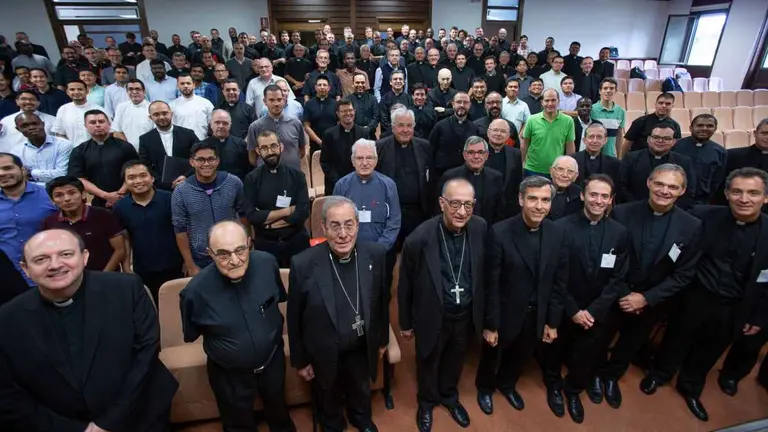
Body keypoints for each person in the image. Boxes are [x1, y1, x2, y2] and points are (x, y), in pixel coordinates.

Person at [0, 228, 178, 430]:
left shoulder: (126, 289)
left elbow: (146, 357)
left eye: (66, 254)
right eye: (41, 259)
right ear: (25, 268)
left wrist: (108, 423)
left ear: (84, 257)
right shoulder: (7, 319)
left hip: (140, 413)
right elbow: (9, 392)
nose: (55, 265)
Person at [638, 167, 768, 421]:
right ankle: (660, 374)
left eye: (753, 193)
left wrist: (760, 317)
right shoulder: (702, 216)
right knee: (676, 337)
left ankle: (691, 387)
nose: (744, 199)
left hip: (736, 305)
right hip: (694, 295)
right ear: (727, 194)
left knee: (711, 348)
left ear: (765, 197)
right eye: (737, 192)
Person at [597, 164, 702, 409]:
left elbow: (684, 273)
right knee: (600, 338)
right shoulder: (621, 213)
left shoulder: (691, 225)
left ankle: (612, 377)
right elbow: (608, 255)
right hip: (614, 293)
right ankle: (594, 374)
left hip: (652, 302)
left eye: (672, 187)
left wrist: (646, 298)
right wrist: (624, 293)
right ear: (649, 183)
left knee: (631, 342)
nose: (665, 190)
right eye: (660, 184)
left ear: (682, 191)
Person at [180, 221, 296, 432]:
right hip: (228, 374)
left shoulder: (268, 264)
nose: (234, 260)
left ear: (249, 244)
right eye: (223, 254)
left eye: (240, 250)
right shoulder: (194, 293)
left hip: (272, 362)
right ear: (210, 254)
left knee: (279, 413)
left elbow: (277, 299)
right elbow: (191, 333)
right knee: (237, 424)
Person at [287, 196, 389, 432]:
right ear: (324, 228)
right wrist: (301, 361)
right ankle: (332, 424)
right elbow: (294, 317)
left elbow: (382, 301)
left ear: (357, 225)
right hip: (324, 349)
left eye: (349, 224)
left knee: (361, 389)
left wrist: (381, 340)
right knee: (328, 393)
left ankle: (361, 418)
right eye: (335, 226)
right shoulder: (303, 264)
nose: (343, 234)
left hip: (361, 346)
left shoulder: (375, 254)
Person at [399, 178, 490, 431]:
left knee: (456, 358)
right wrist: (405, 323)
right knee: (428, 357)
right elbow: (405, 285)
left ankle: (449, 396)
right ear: (441, 203)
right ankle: (426, 402)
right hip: (432, 314)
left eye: (468, 205)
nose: (462, 212)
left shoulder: (481, 228)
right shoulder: (419, 238)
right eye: (455, 204)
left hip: (466, 315)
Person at [475, 174, 567, 416]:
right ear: (520, 199)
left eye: (545, 200)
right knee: (491, 356)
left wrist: (552, 321)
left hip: (537, 315)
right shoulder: (500, 232)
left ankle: (507, 384)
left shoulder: (558, 234)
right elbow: (491, 283)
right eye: (533, 199)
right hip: (505, 314)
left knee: (520, 356)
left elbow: (559, 282)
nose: (539, 206)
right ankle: (484, 388)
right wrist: (490, 324)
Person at [542, 174, 629, 423]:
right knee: (554, 351)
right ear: (582, 195)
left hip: (597, 311)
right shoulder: (560, 227)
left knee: (586, 353)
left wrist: (593, 311)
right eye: (593, 194)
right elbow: (555, 275)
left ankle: (572, 391)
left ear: (611, 200)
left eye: (604, 196)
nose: (598, 200)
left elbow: (617, 278)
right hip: (564, 306)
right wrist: (573, 310)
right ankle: (553, 386)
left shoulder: (620, 233)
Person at [172, 141, 246, 275]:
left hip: (232, 254)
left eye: (210, 159)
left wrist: (247, 247)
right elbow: (180, 230)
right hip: (201, 258)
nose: (206, 164)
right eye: (200, 160)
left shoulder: (234, 183)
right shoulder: (181, 192)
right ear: (192, 162)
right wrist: (190, 264)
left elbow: (244, 215)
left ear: (217, 161)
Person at [114, 160, 182, 302]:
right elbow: (125, 238)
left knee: (176, 306)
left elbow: (182, 231)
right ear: (125, 182)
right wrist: (126, 267)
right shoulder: (120, 207)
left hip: (175, 265)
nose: (138, 181)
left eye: (143, 175)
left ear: (152, 178)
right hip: (143, 268)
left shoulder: (170, 198)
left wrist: (188, 262)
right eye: (131, 178)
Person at [243, 131, 310, 267]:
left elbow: (302, 212)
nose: (270, 151)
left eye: (273, 146)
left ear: (281, 147)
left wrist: (268, 222)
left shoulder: (297, 176)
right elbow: (251, 216)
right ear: (258, 151)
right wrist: (286, 212)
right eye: (264, 148)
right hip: (266, 246)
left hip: (296, 242)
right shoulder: (252, 179)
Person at [42, 176, 125, 271]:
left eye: (72, 193)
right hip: (70, 279)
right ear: (52, 201)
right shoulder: (50, 222)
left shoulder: (104, 215)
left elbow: (119, 250)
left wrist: (103, 276)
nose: (67, 199)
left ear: (83, 194)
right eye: (59, 195)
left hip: (106, 276)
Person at [333, 139, 401, 254]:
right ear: (352, 161)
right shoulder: (341, 185)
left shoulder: (389, 185)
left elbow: (394, 222)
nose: (364, 163)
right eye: (359, 158)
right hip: (349, 251)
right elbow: (334, 221)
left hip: (381, 251)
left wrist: (380, 248)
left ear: (376, 160)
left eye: (369, 158)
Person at [376, 107, 432, 245]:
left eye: (409, 126)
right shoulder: (379, 147)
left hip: (418, 213)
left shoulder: (424, 146)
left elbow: (431, 179)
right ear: (393, 127)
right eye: (401, 125)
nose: (405, 130)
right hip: (389, 214)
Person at [0, 152, 57, 285]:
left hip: (49, 273)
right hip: (6, 278)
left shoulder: (49, 195)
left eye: (8, 168)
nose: (1, 173)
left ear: (23, 170)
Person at [67, 109, 137, 208]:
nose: (97, 125)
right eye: (92, 122)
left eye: (101, 121)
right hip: (98, 201)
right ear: (85, 126)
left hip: (128, 198)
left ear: (109, 124)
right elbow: (79, 178)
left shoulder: (125, 146)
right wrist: (106, 196)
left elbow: (135, 171)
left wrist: (119, 194)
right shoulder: (79, 151)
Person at [618, 124, 696, 208]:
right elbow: (622, 187)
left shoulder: (684, 162)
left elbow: (688, 190)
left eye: (666, 138)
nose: (660, 141)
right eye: (656, 137)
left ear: (674, 142)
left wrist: (668, 207)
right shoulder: (631, 158)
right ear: (648, 139)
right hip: (634, 210)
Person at [438, 136, 507, 224]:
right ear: (464, 155)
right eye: (471, 152)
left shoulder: (496, 177)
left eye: (480, 152)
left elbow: (500, 212)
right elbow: (440, 210)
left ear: (486, 155)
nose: (476, 156)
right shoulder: (450, 177)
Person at [138, 101, 198, 190]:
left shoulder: (188, 134)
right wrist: (163, 184)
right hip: (160, 188)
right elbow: (145, 166)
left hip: (190, 184)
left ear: (171, 113)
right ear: (150, 117)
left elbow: (199, 158)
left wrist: (187, 177)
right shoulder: (145, 139)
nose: (161, 117)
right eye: (156, 114)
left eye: (164, 113)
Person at [246, 84, 307, 169]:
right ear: (265, 101)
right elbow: (252, 156)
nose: (276, 104)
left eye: (279, 99)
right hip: (266, 176)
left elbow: (302, 150)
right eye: (271, 100)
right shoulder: (255, 127)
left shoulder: (296, 123)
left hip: (292, 175)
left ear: (284, 100)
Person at [320, 100, 372, 194]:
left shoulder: (364, 133)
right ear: (338, 114)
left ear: (354, 111)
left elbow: (368, 158)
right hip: (335, 184)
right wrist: (339, 181)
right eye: (344, 111)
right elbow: (325, 162)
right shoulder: (329, 134)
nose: (348, 113)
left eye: (350, 110)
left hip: (359, 184)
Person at [672, 114, 726, 205]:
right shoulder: (675, 146)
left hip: (703, 201)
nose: (704, 128)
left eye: (710, 126)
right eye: (700, 125)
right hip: (675, 198)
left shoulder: (720, 152)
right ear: (690, 128)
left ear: (715, 129)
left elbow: (718, 180)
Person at [521, 88, 575, 177]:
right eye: (547, 100)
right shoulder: (532, 120)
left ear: (558, 101)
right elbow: (524, 145)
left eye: (553, 100)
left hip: (556, 171)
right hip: (532, 169)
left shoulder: (568, 121)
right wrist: (522, 165)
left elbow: (570, 147)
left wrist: (568, 168)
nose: (550, 103)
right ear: (542, 102)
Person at [8, 112, 71, 185]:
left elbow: (61, 174)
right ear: (18, 129)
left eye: (35, 124)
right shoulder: (16, 151)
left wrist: (30, 173)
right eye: (25, 126)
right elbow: (18, 176)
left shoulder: (63, 145)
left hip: (59, 190)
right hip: (30, 192)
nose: (31, 128)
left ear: (43, 124)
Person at [429, 92, 479, 182]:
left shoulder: (474, 128)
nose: (462, 105)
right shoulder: (440, 126)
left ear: (470, 105)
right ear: (453, 104)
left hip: (466, 177)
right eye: (459, 102)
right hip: (442, 176)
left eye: (465, 102)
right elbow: (431, 150)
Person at [719, 119, 768, 210]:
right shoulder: (733, 155)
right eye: (764, 133)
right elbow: (722, 186)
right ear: (755, 133)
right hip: (738, 208)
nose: (767, 137)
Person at [621, 92, 680, 157]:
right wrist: (622, 160)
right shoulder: (640, 121)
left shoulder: (675, 125)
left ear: (672, 106)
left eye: (668, 104)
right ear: (655, 104)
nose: (664, 106)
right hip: (639, 159)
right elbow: (628, 142)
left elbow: (677, 146)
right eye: (660, 103)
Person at [52, 80, 108, 146]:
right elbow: (60, 133)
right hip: (72, 151)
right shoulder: (63, 109)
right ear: (67, 92)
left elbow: (108, 132)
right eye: (72, 89)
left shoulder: (99, 109)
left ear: (87, 91)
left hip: (97, 150)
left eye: (80, 89)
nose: (76, 92)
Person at [200, 110, 252, 181]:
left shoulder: (241, 144)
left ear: (230, 125)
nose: (221, 126)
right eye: (217, 122)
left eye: (225, 123)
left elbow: (248, 170)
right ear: (211, 124)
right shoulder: (201, 146)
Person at [574, 123, 621, 187]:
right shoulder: (573, 160)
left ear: (605, 140)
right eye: (591, 137)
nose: (595, 141)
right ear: (584, 140)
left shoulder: (615, 164)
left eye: (599, 137)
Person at [111, 78, 153, 150]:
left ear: (144, 91)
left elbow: (155, 133)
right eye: (130, 89)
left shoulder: (151, 107)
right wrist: (129, 148)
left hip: (149, 149)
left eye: (137, 89)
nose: (134, 92)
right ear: (127, 91)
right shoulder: (121, 107)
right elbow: (117, 132)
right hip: (127, 150)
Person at [171, 73, 214, 140]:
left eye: (188, 83)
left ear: (193, 85)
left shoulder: (206, 103)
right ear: (178, 86)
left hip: (203, 142)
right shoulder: (172, 105)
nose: (185, 86)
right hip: (181, 143)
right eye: (182, 83)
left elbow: (212, 125)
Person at [590, 78, 624, 157]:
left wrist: (619, 155)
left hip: (611, 156)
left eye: (611, 88)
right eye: (605, 88)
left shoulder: (621, 111)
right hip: (593, 155)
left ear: (616, 91)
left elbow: (619, 135)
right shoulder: (591, 109)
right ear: (600, 91)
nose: (608, 91)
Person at [304, 75, 338, 153]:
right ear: (315, 87)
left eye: (324, 85)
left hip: (333, 143)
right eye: (319, 85)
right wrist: (320, 142)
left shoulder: (336, 104)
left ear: (329, 88)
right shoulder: (308, 104)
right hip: (315, 144)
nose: (322, 87)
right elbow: (307, 127)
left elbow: (339, 124)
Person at [378, 70, 413, 136]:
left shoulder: (409, 99)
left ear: (403, 82)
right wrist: (397, 131)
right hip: (388, 134)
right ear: (391, 82)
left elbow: (411, 118)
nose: (398, 81)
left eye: (400, 79)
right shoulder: (384, 99)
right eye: (395, 79)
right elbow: (384, 121)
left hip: (406, 132)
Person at [548, 156, 583, 220]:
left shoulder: (580, 194)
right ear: (551, 171)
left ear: (575, 176)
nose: (564, 175)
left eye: (570, 171)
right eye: (560, 169)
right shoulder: (539, 190)